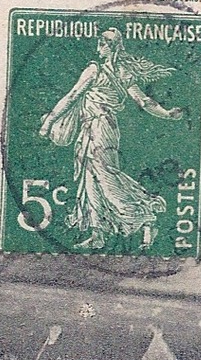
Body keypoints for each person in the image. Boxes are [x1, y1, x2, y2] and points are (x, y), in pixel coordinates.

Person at [38, 28, 185, 251]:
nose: (99, 44)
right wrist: (166, 113)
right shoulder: (120, 71)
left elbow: (72, 96)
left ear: (110, 46)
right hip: (97, 128)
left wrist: (49, 122)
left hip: (100, 127)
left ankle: (145, 216)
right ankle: (98, 233)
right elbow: (143, 101)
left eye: (103, 41)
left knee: (106, 178)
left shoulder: (95, 70)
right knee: (91, 181)